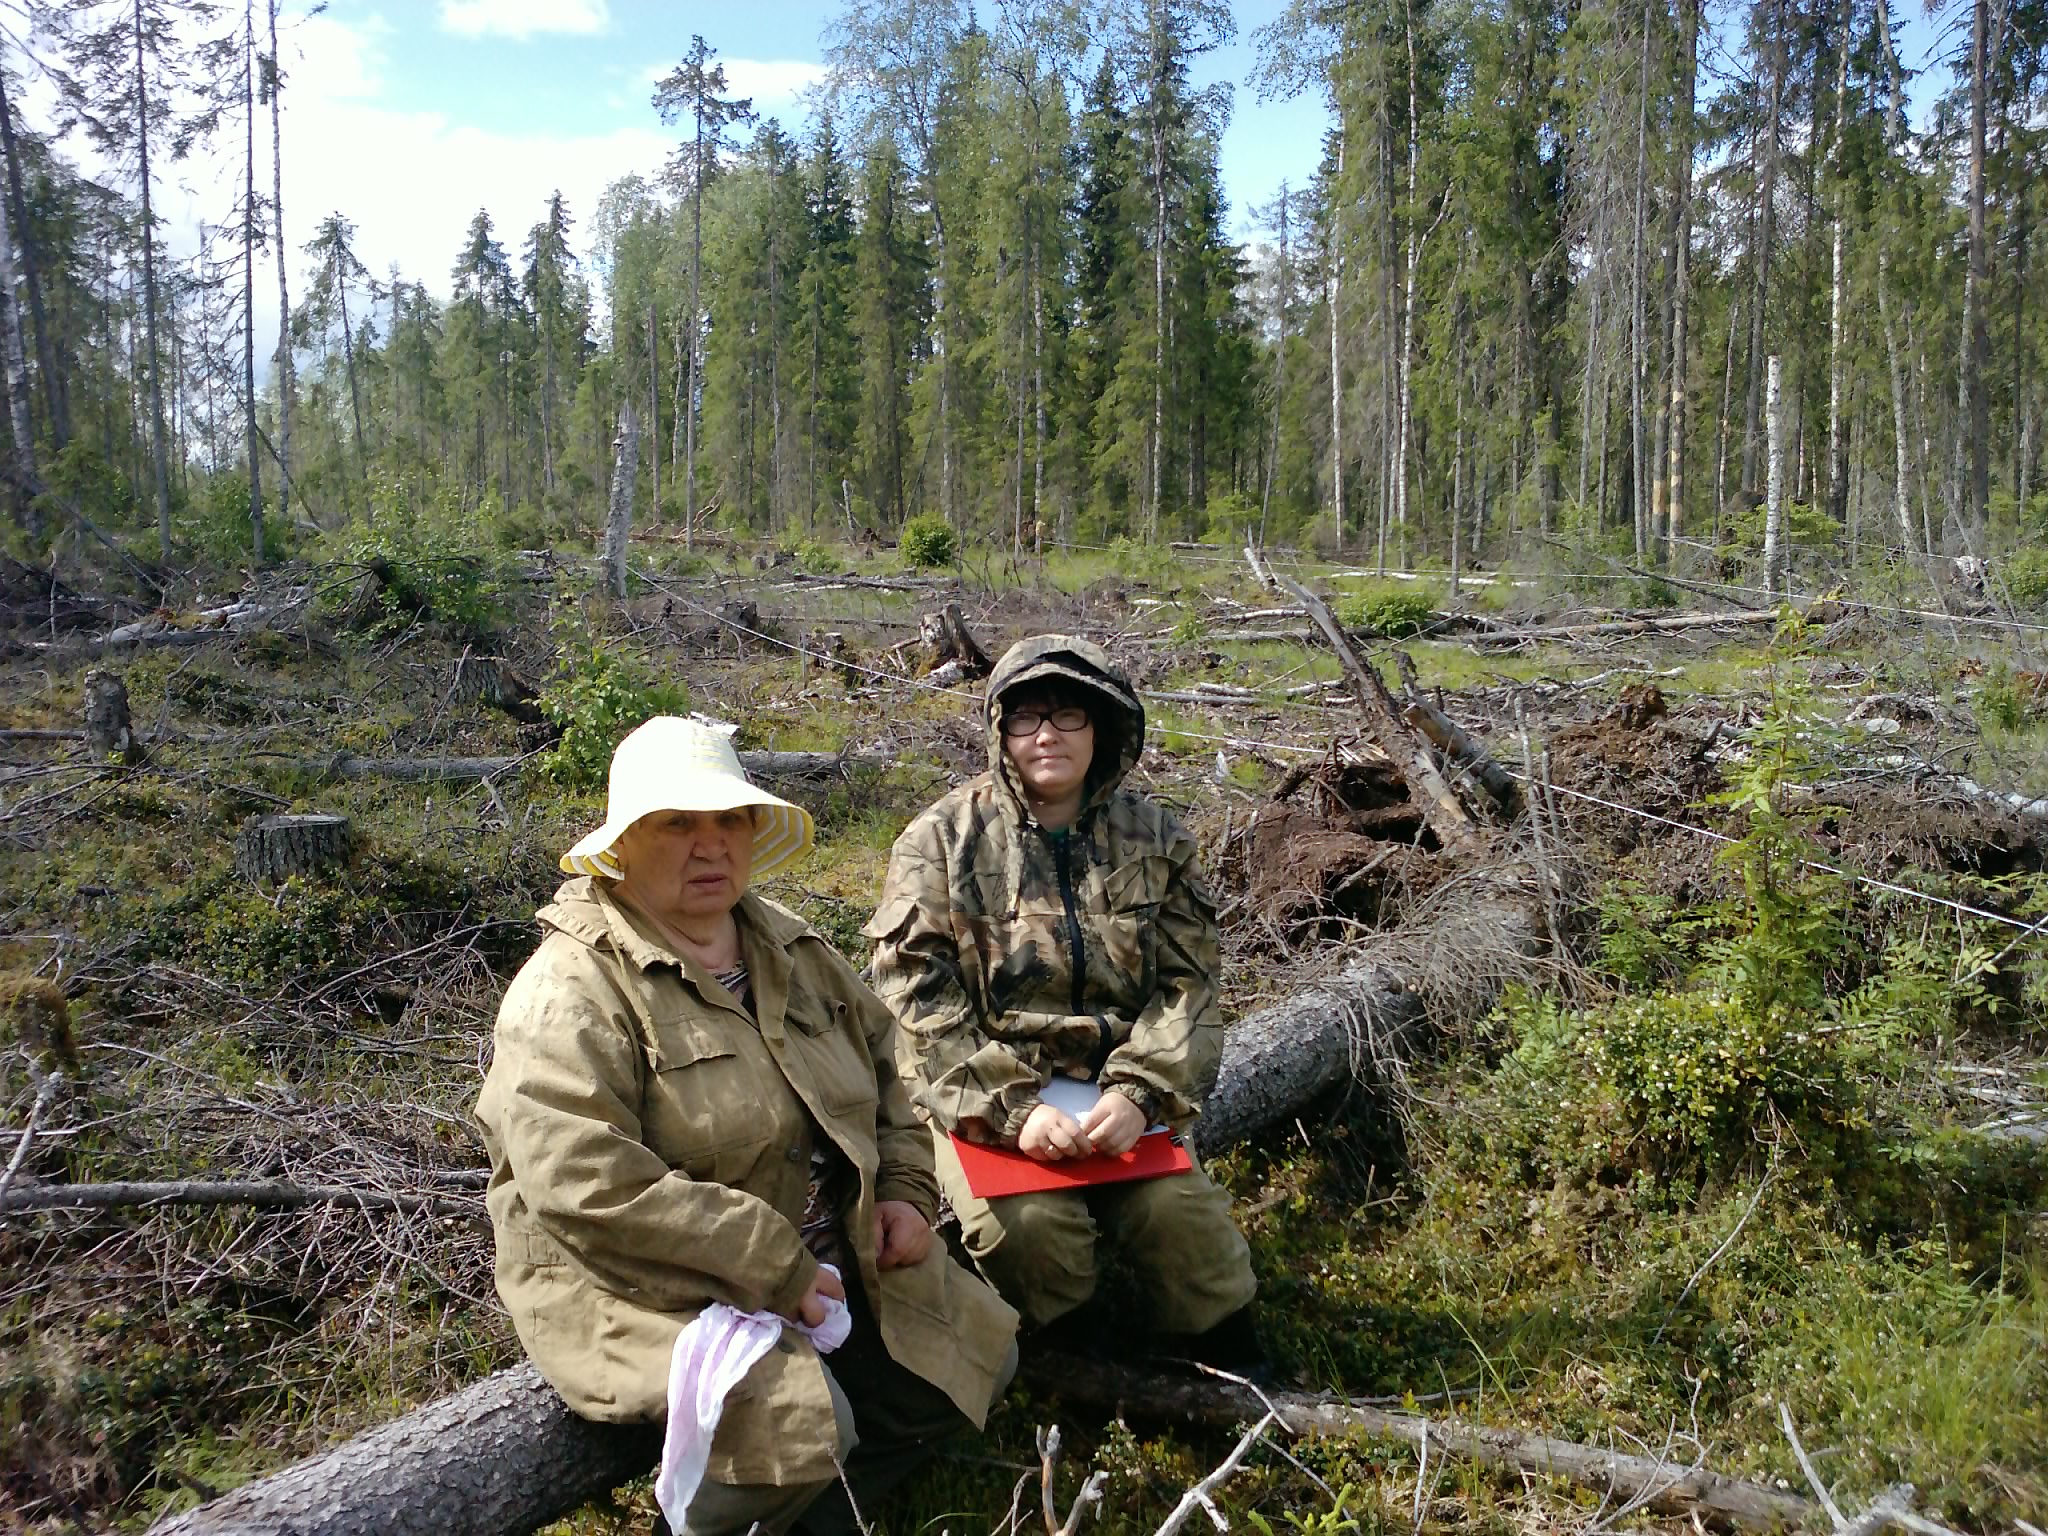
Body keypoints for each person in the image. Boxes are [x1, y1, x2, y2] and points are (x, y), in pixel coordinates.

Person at [474, 717, 1018, 1536]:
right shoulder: (568, 990)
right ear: (622, 843)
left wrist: (904, 1192)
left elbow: (889, 1073)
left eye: (728, 820)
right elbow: (584, 1186)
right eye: (677, 823)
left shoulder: (790, 949)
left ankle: (824, 1513)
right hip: (644, 1281)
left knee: (977, 1358)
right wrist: (774, 1266)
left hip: (827, 1249)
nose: (710, 846)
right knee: (802, 1425)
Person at [865, 635, 1260, 1366]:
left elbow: (1190, 985)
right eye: (1025, 717)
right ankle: (1083, 1357)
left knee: (1180, 1219)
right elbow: (911, 995)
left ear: (1103, 726)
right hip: (986, 1088)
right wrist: (1014, 1109)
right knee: (1030, 1228)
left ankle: (1222, 1369)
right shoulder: (939, 840)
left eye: (1068, 714)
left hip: (1121, 1089)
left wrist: (1142, 1091)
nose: (1046, 733)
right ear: (999, 733)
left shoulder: (1156, 837)